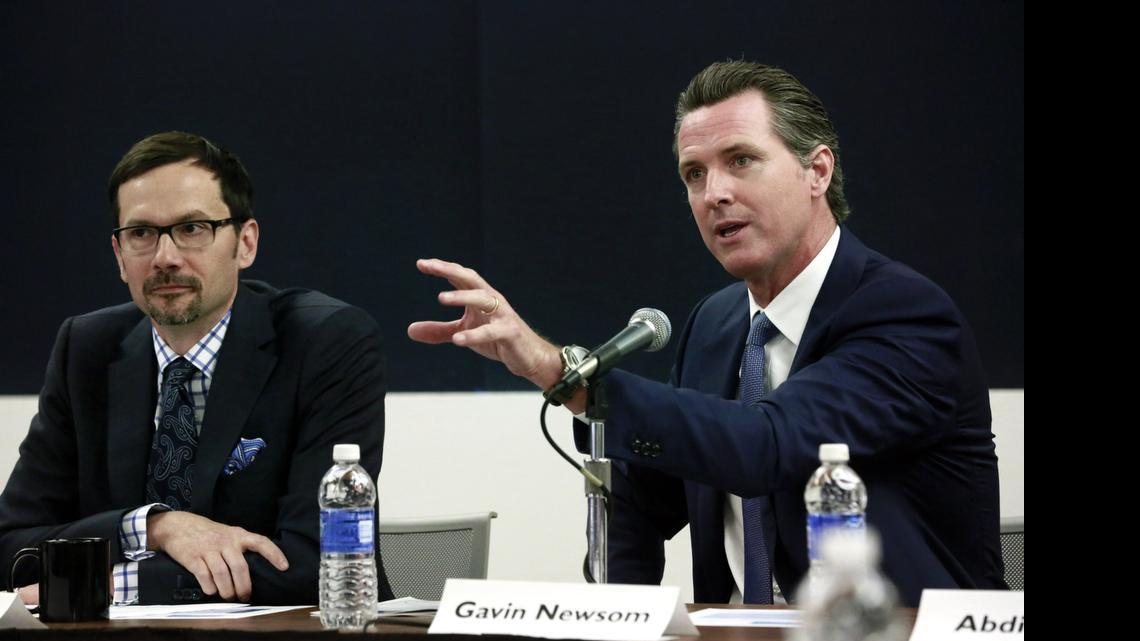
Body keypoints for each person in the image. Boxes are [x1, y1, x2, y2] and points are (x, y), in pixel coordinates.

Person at [408, 60, 1005, 606]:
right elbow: (646, 496)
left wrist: (560, 371)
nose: (713, 193)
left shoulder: (906, 313)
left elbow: (766, 446)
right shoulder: (715, 325)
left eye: (741, 160)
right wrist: (618, 612)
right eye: (694, 173)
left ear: (816, 170)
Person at [0, 131, 393, 605]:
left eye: (192, 228)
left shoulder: (325, 342)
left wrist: (104, 583)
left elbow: (323, 563)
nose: (165, 258)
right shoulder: (86, 349)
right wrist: (154, 527)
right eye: (142, 233)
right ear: (119, 256)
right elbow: (11, 545)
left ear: (245, 243)